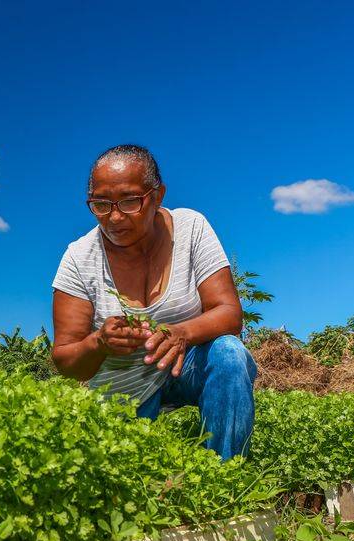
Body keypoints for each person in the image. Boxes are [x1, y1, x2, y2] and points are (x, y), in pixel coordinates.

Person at [50, 144, 256, 460]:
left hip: (185, 365)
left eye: (130, 201)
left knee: (229, 354)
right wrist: (99, 343)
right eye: (101, 205)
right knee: (131, 479)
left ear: (157, 195)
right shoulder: (79, 258)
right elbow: (66, 359)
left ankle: (225, 476)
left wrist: (182, 333)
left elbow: (228, 313)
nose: (115, 217)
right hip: (124, 385)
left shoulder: (191, 228)